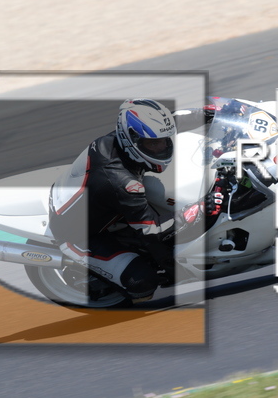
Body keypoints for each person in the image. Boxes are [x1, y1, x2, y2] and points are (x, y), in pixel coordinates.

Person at [48, 99, 222, 303]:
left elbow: (172, 122)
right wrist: (197, 210)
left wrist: (207, 113)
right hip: (79, 234)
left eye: (164, 141)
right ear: (132, 139)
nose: (161, 148)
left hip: (91, 199)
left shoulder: (126, 137)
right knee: (142, 283)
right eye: (153, 144)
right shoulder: (122, 183)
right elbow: (152, 232)